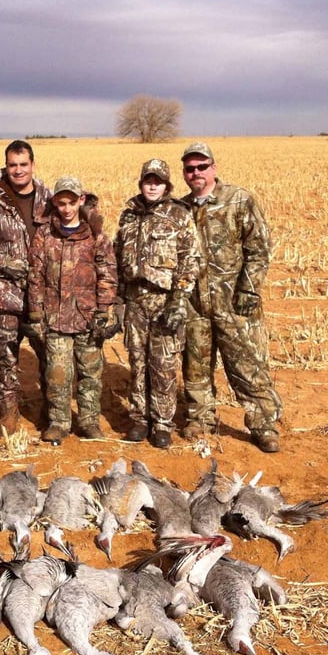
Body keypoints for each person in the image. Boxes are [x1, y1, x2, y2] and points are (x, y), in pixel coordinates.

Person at [179, 142, 283, 453]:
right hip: (194, 303)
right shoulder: (181, 209)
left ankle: (263, 423)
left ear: (213, 167)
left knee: (247, 365)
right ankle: (201, 418)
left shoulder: (238, 200)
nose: (196, 173)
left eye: (202, 166)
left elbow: (259, 248)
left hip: (234, 302)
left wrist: (249, 289)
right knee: (195, 364)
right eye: (190, 168)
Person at [27, 176, 118, 445]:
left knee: (90, 373)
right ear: (54, 201)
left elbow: (107, 274)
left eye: (71, 202)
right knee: (57, 374)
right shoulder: (45, 233)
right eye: (61, 202)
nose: (66, 208)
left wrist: (104, 310)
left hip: (88, 317)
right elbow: (36, 275)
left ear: (81, 200)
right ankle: (59, 422)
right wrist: (35, 313)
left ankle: (89, 421)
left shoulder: (96, 234)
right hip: (54, 318)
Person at [115, 159, 199, 448]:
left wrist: (179, 300)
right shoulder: (128, 216)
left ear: (166, 185)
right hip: (135, 300)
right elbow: (118, 259)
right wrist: (118, 300)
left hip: (165, 301)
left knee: (163, 364)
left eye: (158, 181)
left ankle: (162, 423)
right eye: (148, 180)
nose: (152, 185)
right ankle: (139, 419)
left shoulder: (179, 215)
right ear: (141, 183)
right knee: (137, 362)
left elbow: (190, 259)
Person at [0, 140, 51, 436]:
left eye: (23, 164)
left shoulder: (50, 199)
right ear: (6, 166)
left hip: (42, 299)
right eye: (12, 165)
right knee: (6, 358)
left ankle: (51, 410)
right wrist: (7, 262)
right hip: (6, 297)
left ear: (32, 164)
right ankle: (8, 411)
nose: (18, 170)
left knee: (50, 356)